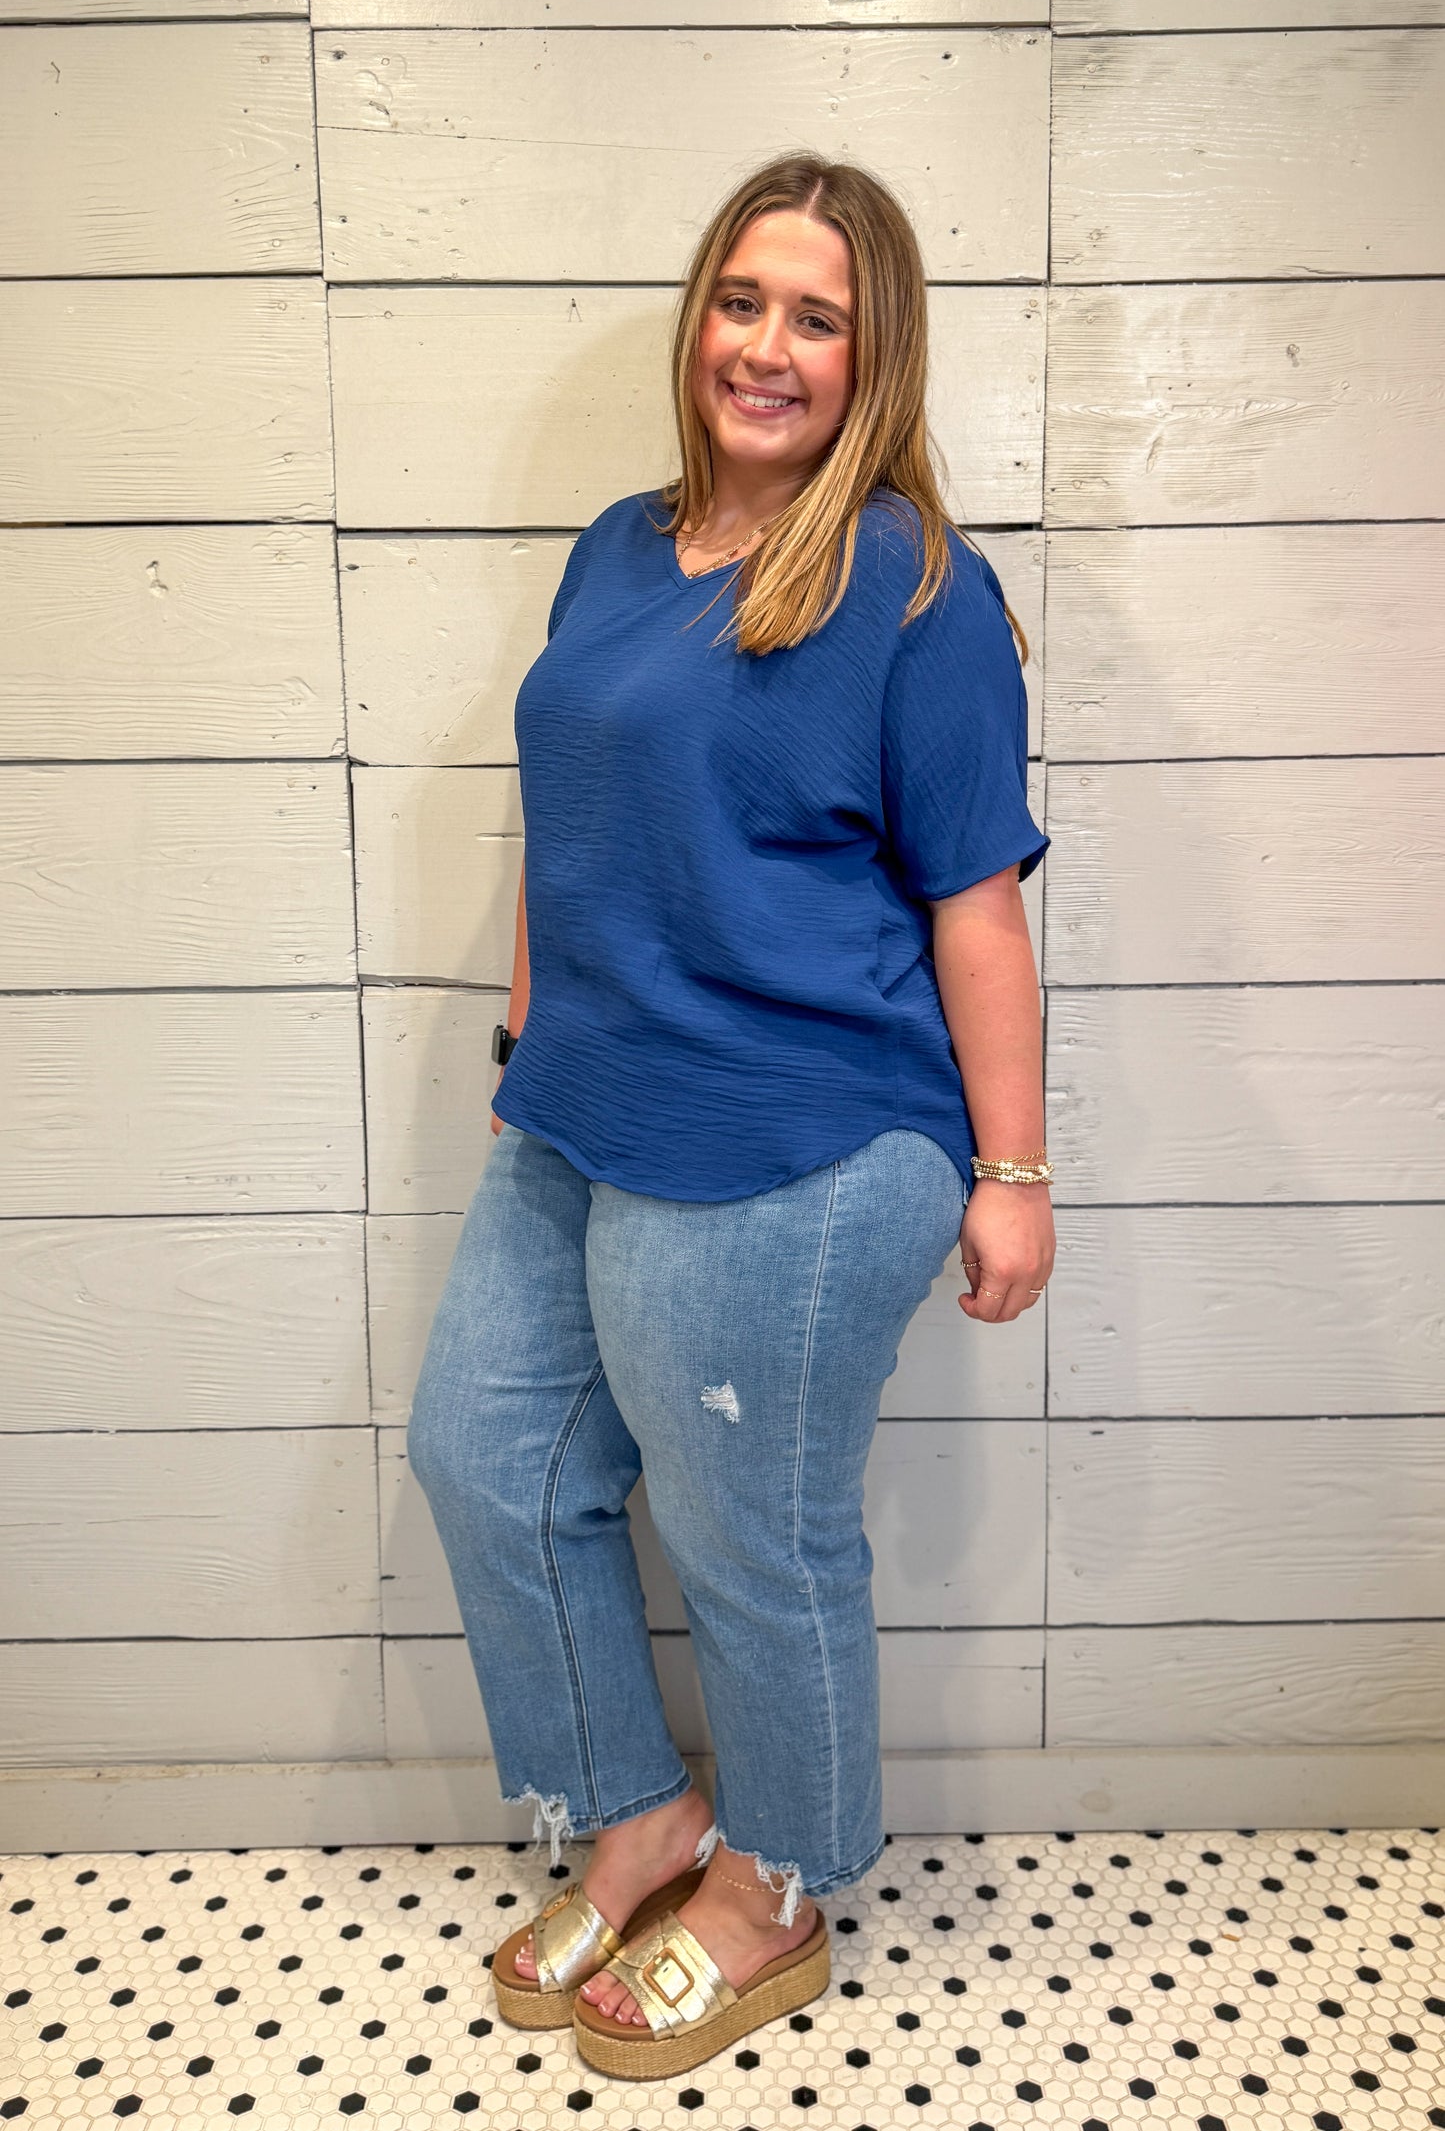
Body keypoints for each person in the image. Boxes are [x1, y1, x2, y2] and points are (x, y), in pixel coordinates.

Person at [406, 151, 1054, 2081]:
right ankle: (639, 1820)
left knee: (749, 1532)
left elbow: (976, 901)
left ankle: (773, 1883)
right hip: (586, 1101)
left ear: (876, 355)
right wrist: (527, 1033)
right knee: (485, 1456)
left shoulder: (918, 585)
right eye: (744, 301)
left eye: (819, 317)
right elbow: (573, 802)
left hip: (806, 1125)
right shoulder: (617, 544)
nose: (767, 348)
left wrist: (1012, 1172)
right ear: (701, 312)